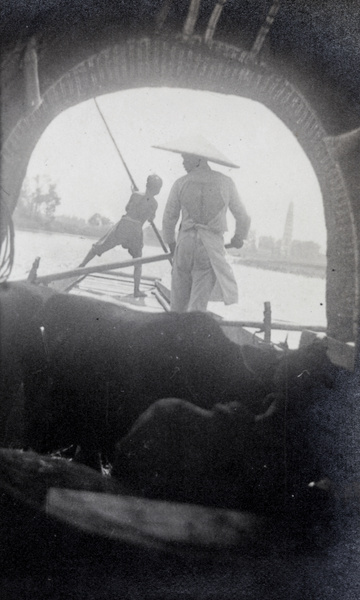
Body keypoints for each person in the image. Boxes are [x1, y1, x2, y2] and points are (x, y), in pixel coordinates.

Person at [162, 153, 250, 312]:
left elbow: (169, 218)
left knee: (177, 305)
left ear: (199, 160)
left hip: (185, 244)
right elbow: (243, 217)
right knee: (197, 308)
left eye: (186, 159)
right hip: (209, 248)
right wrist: (239, 237)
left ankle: (173, 332)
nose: (183, 163)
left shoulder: (181, 183)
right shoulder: (226, 182)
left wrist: (172, 245)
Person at [79, 174, 163, 297]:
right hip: (136, 230)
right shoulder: (154, 204)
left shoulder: (135, 195)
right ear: (157, 190)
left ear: (147, 185)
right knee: (138, 260)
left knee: (99, 246)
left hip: (125, 225)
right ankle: (136, 290)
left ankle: (80, 267)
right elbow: (150, 219)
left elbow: (127, 208)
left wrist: (135, 194)